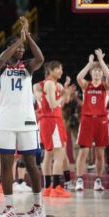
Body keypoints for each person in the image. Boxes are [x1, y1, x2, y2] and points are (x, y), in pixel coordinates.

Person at [0, 16, 45, 217]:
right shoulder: (2, 67)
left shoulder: (28, 67)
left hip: (27, 121)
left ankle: (38, 207)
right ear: (10, 48)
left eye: (23, 49)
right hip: (5, 120)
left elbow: (40, 59)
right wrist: (18, 41)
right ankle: (9, 208)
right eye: (18, 48)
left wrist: (28, 37)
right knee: (6, 165)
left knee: (31, 164)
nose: (22, 51)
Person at [75, 49, 109, 191]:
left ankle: (98, 180)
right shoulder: (86, 85)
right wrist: (90, 63)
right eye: (95, 71)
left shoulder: (105, 86)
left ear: (102, 73)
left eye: (99, 71)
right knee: (83, 152)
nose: (97, 73)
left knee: (100, 154)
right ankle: (79, 179)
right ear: (91, 73)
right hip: (87, 120)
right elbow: (79, 77)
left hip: (101, 121)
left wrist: (101, 61)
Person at [39, 60, 72, 198]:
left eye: (61, 69)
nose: (61, 71)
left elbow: (62, 103)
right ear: (51, 70)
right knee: (59, 153)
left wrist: (65, 91)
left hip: (49, 120)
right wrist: (63, 95)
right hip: (52, 121)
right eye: (58, 69)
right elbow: (53, 104)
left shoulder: (54, 84)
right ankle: (57, 187)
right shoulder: (50, 84)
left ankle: (47, 187)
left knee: (48, 154)